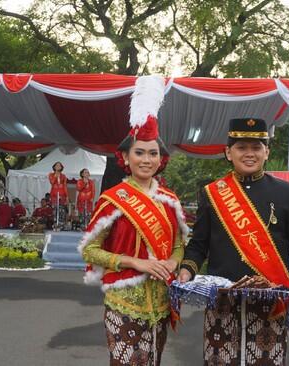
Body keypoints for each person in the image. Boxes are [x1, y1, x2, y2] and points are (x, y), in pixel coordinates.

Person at [178, 117, 289, 366]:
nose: (249, 154)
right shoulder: (212, 194)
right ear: (228, 152)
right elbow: (199, 245)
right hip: (222, 305)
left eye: (256, 147)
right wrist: (186, 269)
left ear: (266, 151)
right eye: (241, 147)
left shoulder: (287, 194)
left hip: (270, 309)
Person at [78, 75, 188, 366]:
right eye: (139, 152)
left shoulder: (170, 200)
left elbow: (179, 245)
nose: (146, 159)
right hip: (123, 301)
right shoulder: (113, 199)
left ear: (160, 159)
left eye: (153, 153)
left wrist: (174, 263)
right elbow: (89, 250)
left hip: (161, 302)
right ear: (125, 157)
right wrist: (134, 262)